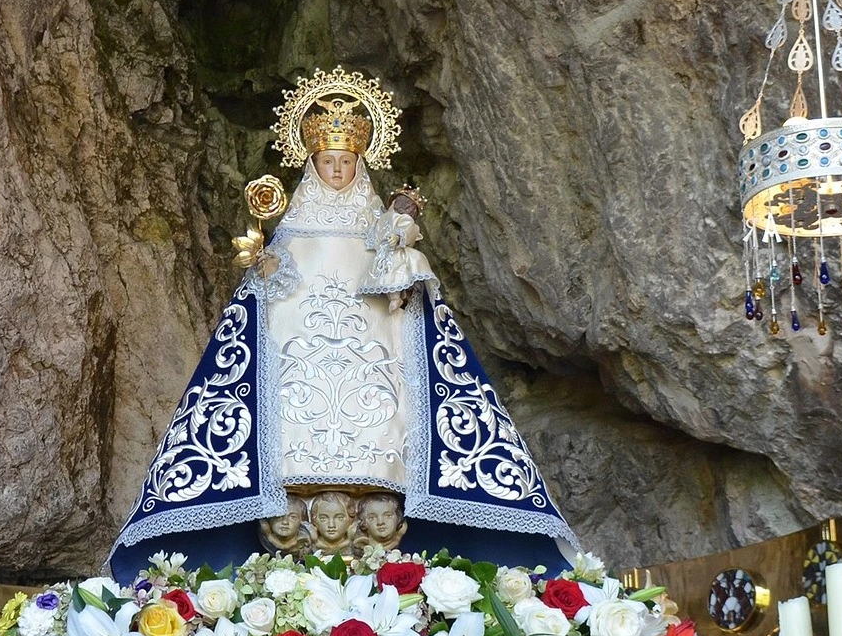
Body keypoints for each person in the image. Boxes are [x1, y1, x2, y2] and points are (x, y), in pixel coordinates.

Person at [106, 68, 576, 581]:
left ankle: (379, 516)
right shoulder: (293, 225)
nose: (336, 169)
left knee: (391, 425)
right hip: (298, 368)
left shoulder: (380, 227)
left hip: (373, 366)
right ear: (312, 161)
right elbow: (276, 285)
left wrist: (399, 258)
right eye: (327, 161)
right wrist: (264, 263)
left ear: (360, 162)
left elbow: (403, 287)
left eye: (346, 161)